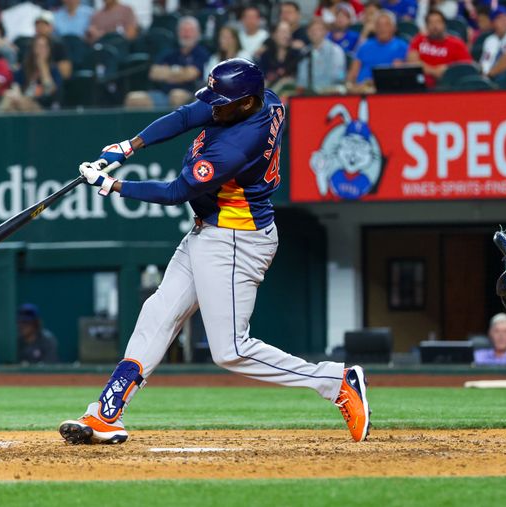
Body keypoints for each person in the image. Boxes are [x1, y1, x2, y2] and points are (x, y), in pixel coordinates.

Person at [58, 58, 371, 445]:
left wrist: (112, 185)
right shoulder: (261, 99)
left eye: (221, 102)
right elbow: (186, 115)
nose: (213, 107)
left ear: (244, 103)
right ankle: (107, 413)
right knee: (157, 314)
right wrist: (128, 146)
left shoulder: (239, 144)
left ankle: (335, 381)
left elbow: (176, 192)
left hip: (236, 239)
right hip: (209, 230)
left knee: (231, 350)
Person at [145, 16, 210, 107]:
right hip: (164, 93)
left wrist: (168, 72)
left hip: (190, 94)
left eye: (190, 30)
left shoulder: (201, 53)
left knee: (175, 95)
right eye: (183, 30)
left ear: (197, 34)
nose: (186, 34)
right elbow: (153, 73)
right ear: (178, 33)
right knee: (135, 99)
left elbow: (191, 74)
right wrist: (180, 73)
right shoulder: (171, 52)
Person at [346, 10, 408, 93]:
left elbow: (401, 76)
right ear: (374, 28)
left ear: (394, 28)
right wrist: (350, 85)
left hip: (385, 91)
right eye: (378, 25)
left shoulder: (402, 47)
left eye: (386, 25)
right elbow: (352, 73)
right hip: (360, 90)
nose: (382, 28)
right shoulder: (364, 46)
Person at [407, 9, 471, 88]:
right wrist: (434, 71)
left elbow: (465, 68)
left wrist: (448, 70)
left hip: (449, 87)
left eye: (438, 22)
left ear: (444, 24)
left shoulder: (457, 44)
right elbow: (412, 62)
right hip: (420, 87)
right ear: (426, 26)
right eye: (431, 23)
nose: (434, 26)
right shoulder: (419, 39)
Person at [2, 33, 62, 111]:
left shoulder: (54, 70)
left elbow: (49, 92)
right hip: (21, 102)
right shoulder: (25, 68)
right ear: (33, 49)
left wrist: (43, 66)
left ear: (49, 50)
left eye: (44, 47)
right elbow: (15, 85)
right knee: (9, 99)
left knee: (22, 103)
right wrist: (16, 96)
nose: (41, 50)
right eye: (38, 46)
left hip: (43, 107)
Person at [297, 18, 347, 93]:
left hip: (330, 92)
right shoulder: (304, 52)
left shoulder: (336, 51)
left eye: (318, 30)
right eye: (311, 30)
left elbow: (339, 75)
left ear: (325, 32)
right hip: (309, 94)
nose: (314, 33)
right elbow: (302, 78)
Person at [257, 21, 301, 90]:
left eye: (288, 32)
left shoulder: (296, 54)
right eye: (283, 32)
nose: (286, 35)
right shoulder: (266, 55)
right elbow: (261, 75)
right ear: (274, 35)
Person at [33, 11, 72, 80]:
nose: (41, 27)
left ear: (52, 27)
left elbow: (66, 73)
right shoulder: (30, 44)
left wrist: (45, 66)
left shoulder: (58, 45)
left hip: (54, 80)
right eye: (38, 24)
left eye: (45, 24)